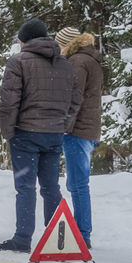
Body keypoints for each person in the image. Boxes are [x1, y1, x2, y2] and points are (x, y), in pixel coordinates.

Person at [0, 19, 82, 252]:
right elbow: (75, 100)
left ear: (24, 41)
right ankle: (57, 240)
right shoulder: (64, 64)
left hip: (26, 133)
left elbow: (8, 102)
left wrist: (8, 132)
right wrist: (64, 124)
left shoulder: (18, 62)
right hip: (53, 134)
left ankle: (23, 238)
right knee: (50, 187)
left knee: (26, 187)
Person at [55, 26, 102, 249]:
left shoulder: (77, 62)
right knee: (77, 182)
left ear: (67, 44)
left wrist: (64, 126)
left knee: (78, 184)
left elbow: (74, 99)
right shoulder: (90, 59)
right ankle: (82, 230)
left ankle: (82, 233)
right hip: (88, 129)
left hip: (77, 131)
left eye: (60, 44)